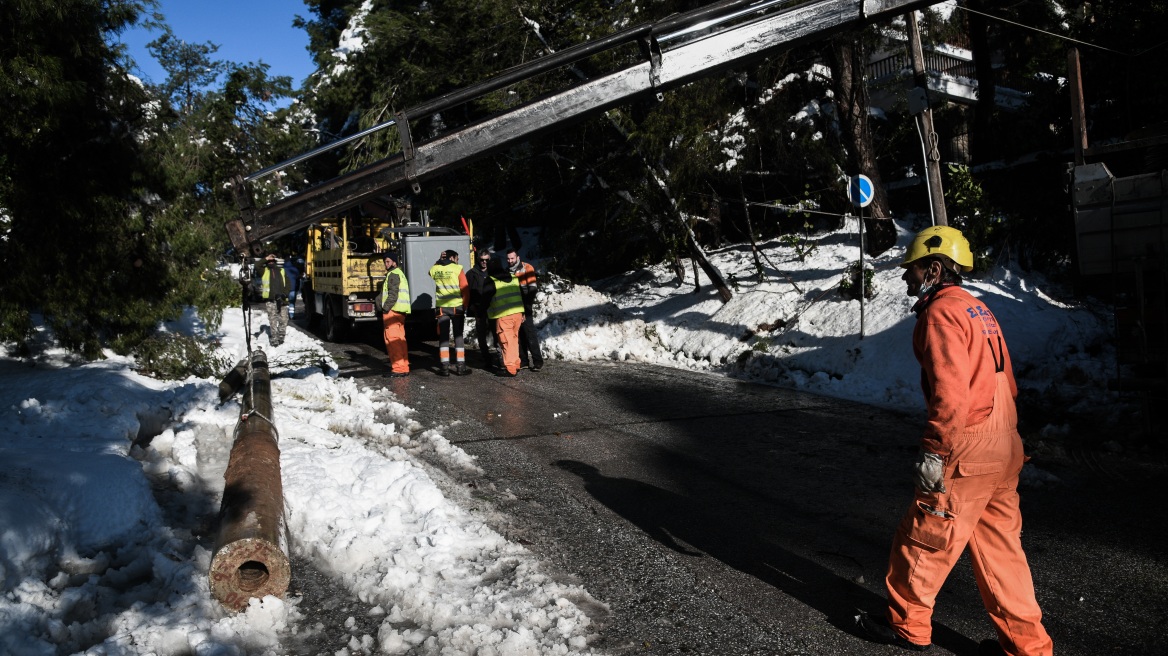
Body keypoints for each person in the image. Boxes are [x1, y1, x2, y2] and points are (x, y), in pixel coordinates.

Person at [858, 226, 1053, 656]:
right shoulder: (977, 309)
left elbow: (950, 392)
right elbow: (1006, 381)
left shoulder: (941, 313)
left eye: (912, 269)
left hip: (970, 444)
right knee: (1002, 553)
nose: (905, 278)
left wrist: (935, 450)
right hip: (1004, 441)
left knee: (925, 535)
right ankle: (1030, 648)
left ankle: (907, 625)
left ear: (934, 268)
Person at [429, 249, 472, 376]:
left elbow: (430, 271)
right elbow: (465, 289)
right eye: (457, 258)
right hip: (456, 307)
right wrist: (465, 305)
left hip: (442, 308)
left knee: (443, 337)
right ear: (452, 258)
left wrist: (439, 261)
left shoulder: (435, 269)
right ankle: (460, 366)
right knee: (458, 336)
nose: (458, 261)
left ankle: (444, 367)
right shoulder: (457, 269)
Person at [507, 248, 545, 371]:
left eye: (512, 258)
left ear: (518, 257)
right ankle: (523, 360)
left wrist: (526, 308)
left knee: (530, 334)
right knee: (518, 335)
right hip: (513, 308)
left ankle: (537, 361)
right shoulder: (507, 271)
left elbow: (532, 289)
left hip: (525, 305)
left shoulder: (527, 267)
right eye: (508, 259)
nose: (510, 261)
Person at [486, 258, 525, 377]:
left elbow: (485, 299)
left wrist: (481, 311)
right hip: (517, 314)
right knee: (513, 340)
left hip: (503, 316)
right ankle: (516, 364)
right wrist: (524, 312)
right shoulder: (513, 278)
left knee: (506, 342)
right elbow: (522, 294)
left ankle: (510, 369)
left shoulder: (491, 280)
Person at [376, 251, 411, 378]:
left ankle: (398, 369)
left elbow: (392, 294)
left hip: (392, 312)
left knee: (393, 341)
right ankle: (403, 366)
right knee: (400, 340)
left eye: (388, 262)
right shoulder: (398, 273)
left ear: (394, 262)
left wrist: (385, 308)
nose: (386, 264)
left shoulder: (393, 274)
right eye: (385, 262)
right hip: (399, 312)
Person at [465, 248, 497, 370]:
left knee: (496, 333)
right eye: (482, 260)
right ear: (478, 259)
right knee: (482, 335)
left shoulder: (494, 272)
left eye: (486, 260)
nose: (484, 262)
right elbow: (466, 291)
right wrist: (472, 307)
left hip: (494, 308)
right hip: (478, 309)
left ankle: (499, 356)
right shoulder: (471, 273)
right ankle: (486, 358)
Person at [256, 253, 289, 347]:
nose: (270, 262)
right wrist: (266, 258)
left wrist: (285, 293)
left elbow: (288, 283)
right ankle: (274, 339)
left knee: (283, 319)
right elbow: (256, 265)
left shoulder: (281, 271)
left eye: (272, 261)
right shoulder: (264, 271)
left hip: (282, 299)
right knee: (273, 320)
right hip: (271, 300)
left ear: (275, 262)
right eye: (268, 261)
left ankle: (281, 337)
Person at [284, 255, 302, 319]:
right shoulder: (294, 269)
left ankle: (285, 315)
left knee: (285, 303)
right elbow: (298, 277)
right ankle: (291, 315)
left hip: (285, 290)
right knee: (292, 303)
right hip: (293, 290)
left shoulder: (283, 269)